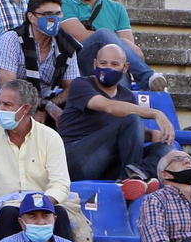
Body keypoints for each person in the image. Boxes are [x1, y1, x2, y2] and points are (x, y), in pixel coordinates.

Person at [0, 80, 75, 242]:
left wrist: (38, 204)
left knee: (58, 213)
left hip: (42, 202)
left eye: (7, 105)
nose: (0, 109)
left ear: (25, 109)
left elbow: (60, 184)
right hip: (2, 206)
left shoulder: (50, 137)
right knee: (10, 212)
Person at [59, 42, 174, 192]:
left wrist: (153, 135)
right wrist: (156, 113)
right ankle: (131, 178)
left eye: (114, 64)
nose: (108, 68)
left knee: (167, 150)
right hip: (76, 160)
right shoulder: (80, 85)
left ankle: (135, 176)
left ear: (125, 68)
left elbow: (128, 132)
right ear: (94, 64)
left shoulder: (127, 96)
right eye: (103, 63)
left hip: (109, 164)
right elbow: (109, 107)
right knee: (132, 118)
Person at [0, 0, 78, 125]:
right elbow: (9, 88)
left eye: (58, 14)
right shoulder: (12, 39)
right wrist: (43, 106)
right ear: (31, 17)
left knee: (78, 110)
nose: (54, 19)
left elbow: (73, 87)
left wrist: (47, 106)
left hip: (43, 106)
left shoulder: (67, 45)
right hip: (0, 105)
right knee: (15, 109)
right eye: (47, 14)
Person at [62, 0, 163, 91]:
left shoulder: (117, 8)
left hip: (112, 64)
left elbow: (133, 52)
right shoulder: (63, 4)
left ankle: (125, 108)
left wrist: (121, 46)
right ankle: (147, 77)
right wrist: (116, 40)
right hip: (79, 62)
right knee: (104, 35)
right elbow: (80, 37)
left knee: (117, 63)